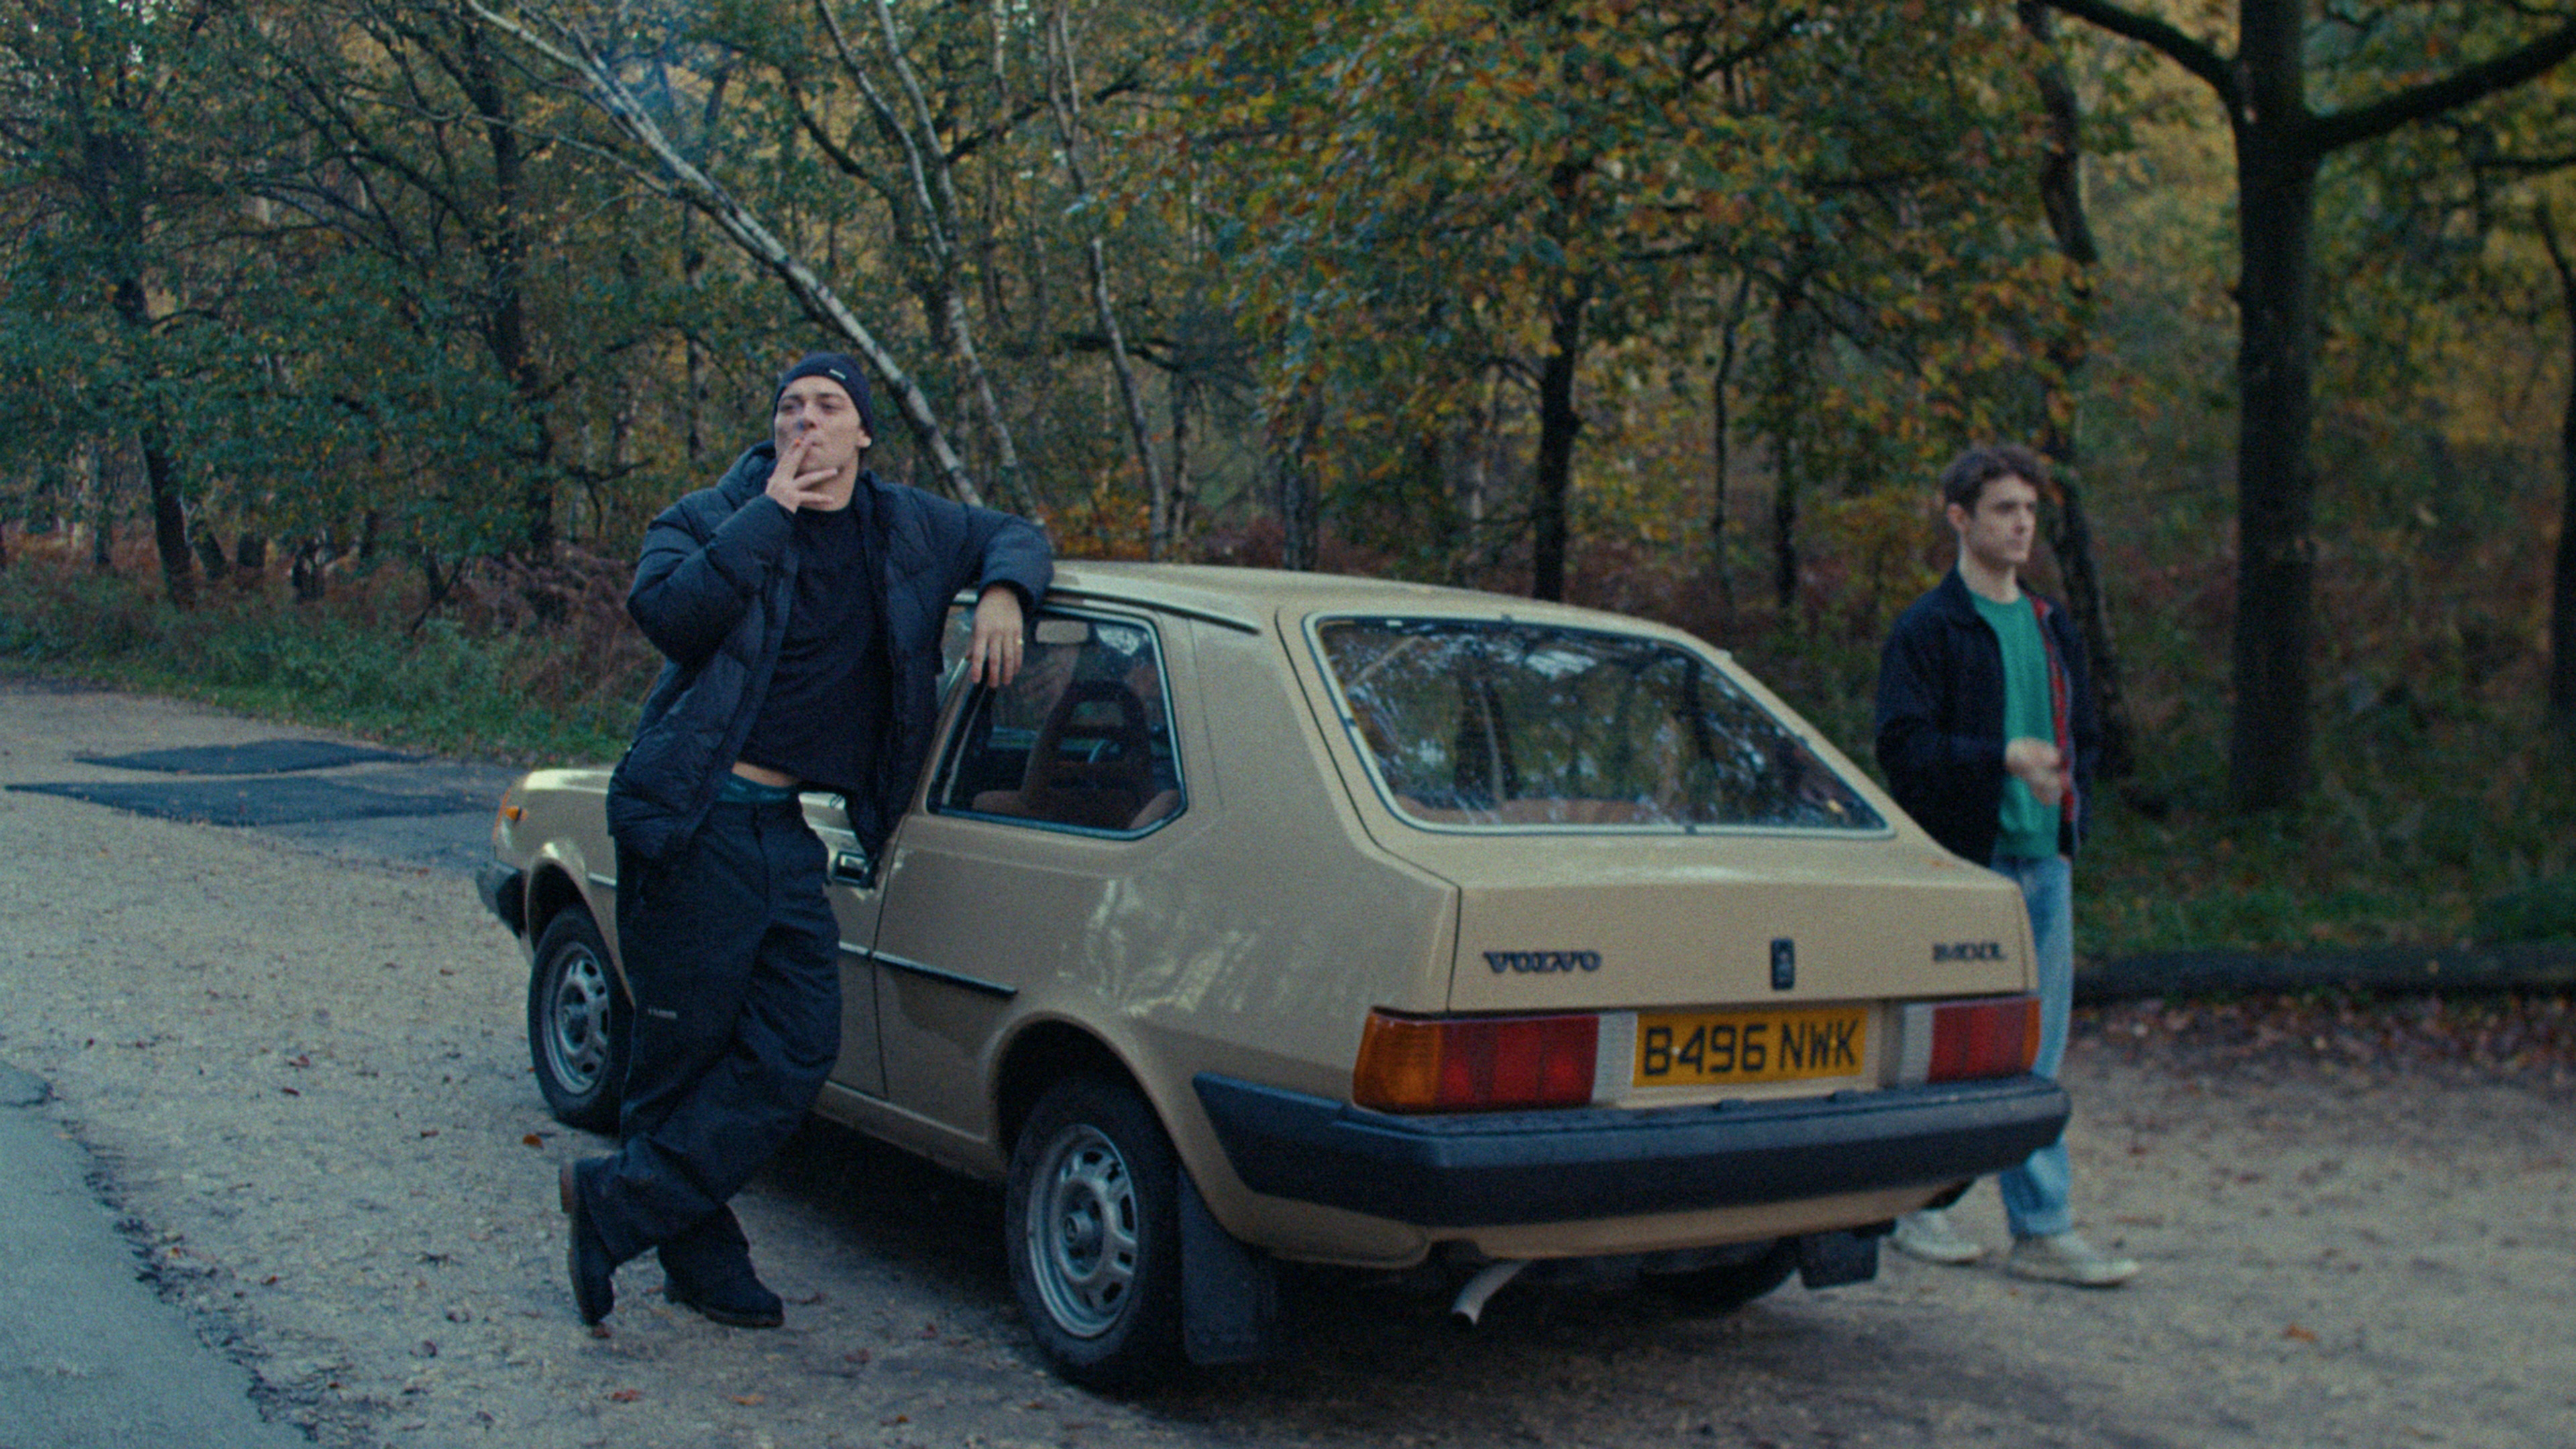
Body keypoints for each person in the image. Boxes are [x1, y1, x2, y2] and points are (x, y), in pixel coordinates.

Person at [560, 352, 1052, 1328]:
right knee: (682, 1054)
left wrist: (1004, 593)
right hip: (694, 818)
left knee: (797, 1046)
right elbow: (670, 616)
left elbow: (1016, 532)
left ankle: (618, 1201)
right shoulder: (710, 515)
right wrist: (770, 512)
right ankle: (702, 1263)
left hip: (784, 831)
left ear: (863, 431)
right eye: (791, 407)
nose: (807, 422)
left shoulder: (904, 526)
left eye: (829, 407)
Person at [1872, 443, 2139, 1289]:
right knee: (1946, 1043)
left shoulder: (2053, 626)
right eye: (2004, 510)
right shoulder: (1928, 628)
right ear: (1960, 519)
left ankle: (2042, 1230)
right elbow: (1902, 749)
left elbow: (2085, 738)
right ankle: (1916, 1206)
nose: (2022, 525)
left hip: (2044, 866)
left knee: (2039, 1053)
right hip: (1964, 869)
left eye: (2029, 510)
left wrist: (2067, 808)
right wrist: (2001, 758)